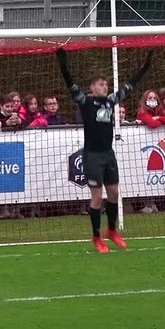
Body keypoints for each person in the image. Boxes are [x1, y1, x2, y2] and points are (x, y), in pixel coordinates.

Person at [58, 46, 152, 253]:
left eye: (106, 84)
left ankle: (112, 231)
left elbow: (130, 86)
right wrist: (63, 64)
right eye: (101, 84)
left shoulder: (111, 101)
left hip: (108, 154)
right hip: (92, 155)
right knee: (97, 197)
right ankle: (96, 237)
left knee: (114, 192)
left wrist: (145, 67)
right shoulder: (85, 101)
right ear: (92, 87)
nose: (105, 86)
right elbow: (70, 84)